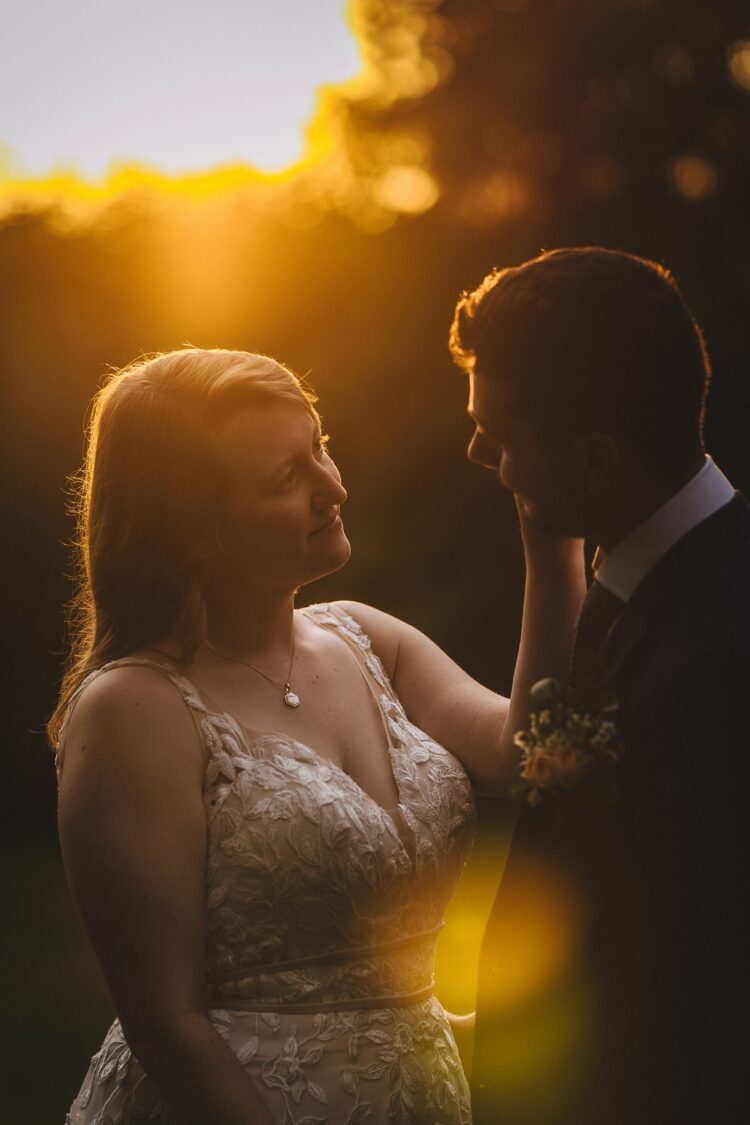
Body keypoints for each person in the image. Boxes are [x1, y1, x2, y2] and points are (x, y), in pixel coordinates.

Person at [48, 347, 584, 1124]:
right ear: (190, 529)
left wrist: (551, 541)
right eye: (285, 480)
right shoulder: (135, 707)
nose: (333, 487)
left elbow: (526, 750)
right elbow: (165, 1021)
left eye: (319, 448)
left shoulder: (365, 636)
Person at [450, 247, 750, 1125]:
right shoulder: (637, 584)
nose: (477, 453)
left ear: (594, 462)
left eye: (499, 436)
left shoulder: (721, 660)